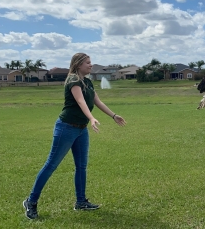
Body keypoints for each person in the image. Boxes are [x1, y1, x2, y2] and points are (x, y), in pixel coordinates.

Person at [23, 53, 127, 220]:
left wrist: (114, 116)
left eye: (91, 62)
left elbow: (97, 102)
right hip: (66, 128)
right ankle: (31, 201)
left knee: (81, 166)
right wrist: (92, 118)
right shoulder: (73, 80)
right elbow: (81, 101)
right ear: (79, 64)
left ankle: (81, 202)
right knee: (51, 165)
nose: (91, 65)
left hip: (80, 129)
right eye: (88, 62)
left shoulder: (87, 81)